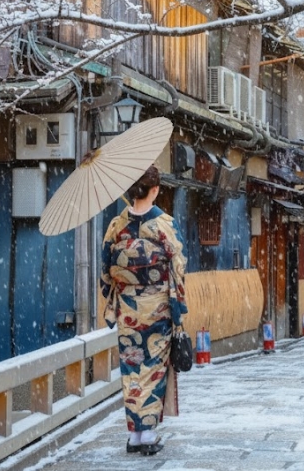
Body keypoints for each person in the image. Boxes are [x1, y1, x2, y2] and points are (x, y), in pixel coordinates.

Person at [100, 165, 187, 456]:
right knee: (153, 369)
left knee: (131, 368)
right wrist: (177, 310)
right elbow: (177, 268)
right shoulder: (164, 224)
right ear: (155, 190)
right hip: (157, 309)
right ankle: (148, 433)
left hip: (127, 310)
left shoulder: (116, 225)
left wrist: (123, 286)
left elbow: (106, 270)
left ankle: (134, 435)